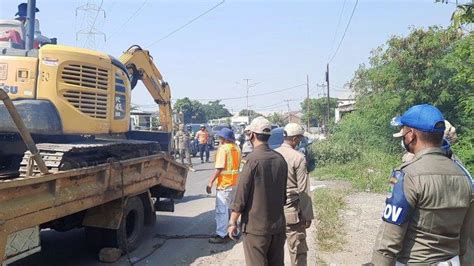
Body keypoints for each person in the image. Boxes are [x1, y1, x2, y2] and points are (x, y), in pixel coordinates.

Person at [371, 104, 473, 265]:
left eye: (404, 130)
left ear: (411, 135)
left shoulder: (405, 176)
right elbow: (465, 237)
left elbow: (388, 242)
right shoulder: (464, 176)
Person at [228, 116, 288, 266]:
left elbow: (241, 196)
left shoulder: (252, 160)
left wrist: (232, 221)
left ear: (252, 135)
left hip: (256, 229)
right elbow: (282, 195)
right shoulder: (280, 159)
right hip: (277, 226)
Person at [275, 123, 314, 266]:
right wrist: (308, 215)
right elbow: (303, 190)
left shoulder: (273, 155)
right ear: (296, 139)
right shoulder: (298, 158)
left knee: (275, 253)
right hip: (292, 213)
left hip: (273, 214)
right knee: (298, 251)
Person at [206, 128, 242, 244]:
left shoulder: (223, 149)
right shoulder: (237, 148)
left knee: (222, 210)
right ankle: (233, 232)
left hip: (225, 184)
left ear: (224, 139)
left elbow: (220, 168)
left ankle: (222, 235)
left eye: (220, 137)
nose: (219, 139)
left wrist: (210, 181)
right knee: (232, 209)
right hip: (235, 183)